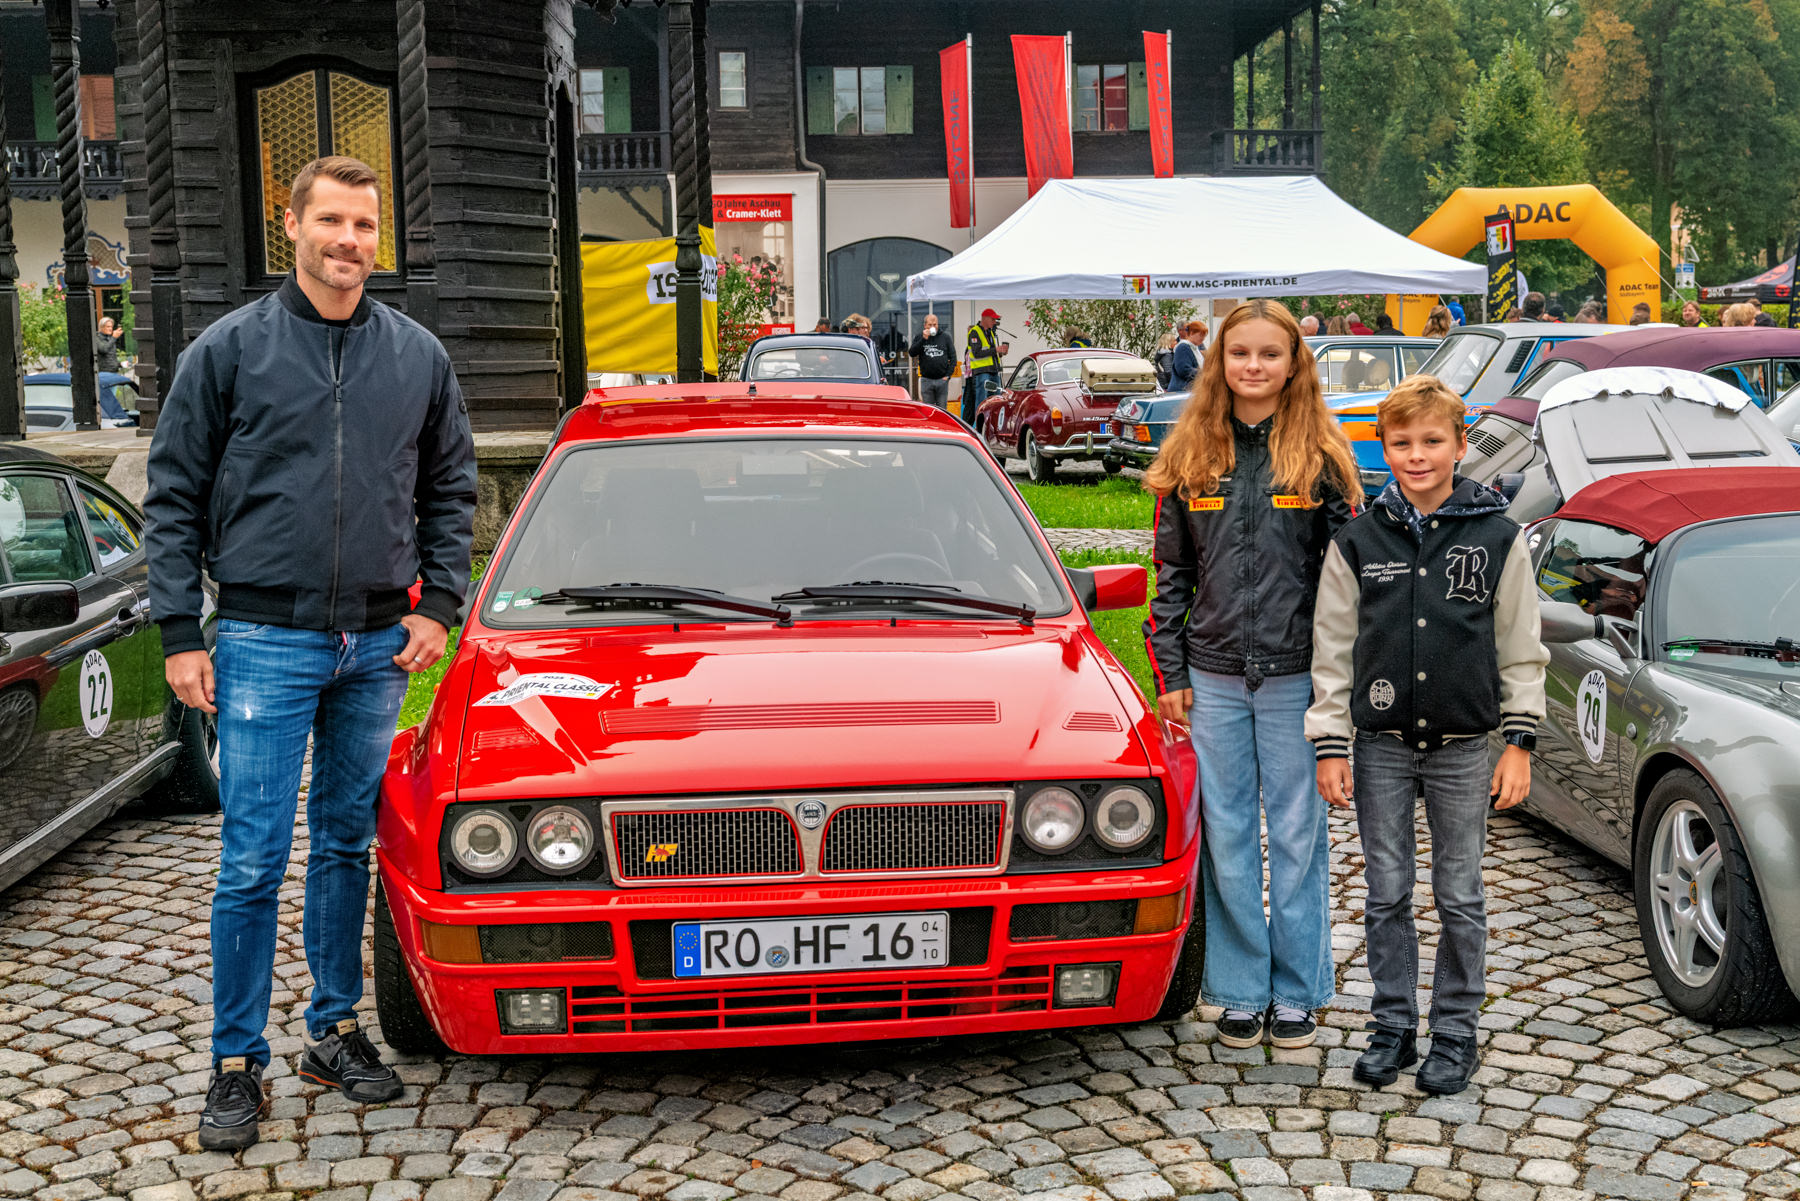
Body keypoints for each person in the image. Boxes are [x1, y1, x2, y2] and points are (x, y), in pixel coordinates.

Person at [144, 156, 477, 1150]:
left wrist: (439, 603)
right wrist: (179, 631)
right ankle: (234, 1060)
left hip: (377, 643)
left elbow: (450, 486)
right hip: (262, 637)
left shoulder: (417, 357)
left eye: (365, 225)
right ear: (289, 226)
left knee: (343, 845)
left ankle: (333, 1029)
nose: (349, 241)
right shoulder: (230, 351)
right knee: (252, 854)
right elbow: (172, 492)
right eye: (331, 220)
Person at [1307, 373, 1546, 1096]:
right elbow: (1333, 648)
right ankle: (1391, 1025)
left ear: (1460, 445)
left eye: (1432, 441)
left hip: (1464, 748)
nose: (1417, 455)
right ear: (1383, 449)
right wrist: (1329, 741)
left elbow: (1521, 646)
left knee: (1460, 893)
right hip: (1379, 747)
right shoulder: (1358, 540)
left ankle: (1456, 1030)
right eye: (1402, 442)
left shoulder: (1499, 538)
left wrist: (1519, 742)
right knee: (1386, 892)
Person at [1143, 299, 1360, 1051]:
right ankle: (1238, 989)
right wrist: (1171, 669)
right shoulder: (1191, 455)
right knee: (1227, 834)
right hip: (1213, 679)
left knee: (1298, 834)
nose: (1254, 366)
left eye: (1270, 353)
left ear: (1294, 362)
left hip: (1297, 678)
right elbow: (1171, 576)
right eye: (1240, 353)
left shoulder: (1324, 458)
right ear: (1219, 361)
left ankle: (1297, 991)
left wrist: (1337, 684)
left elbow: (1346, 584)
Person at [962, 308, 1009, 426]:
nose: (994, 322)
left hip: (993, 370)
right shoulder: (975, 332)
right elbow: (977, 353)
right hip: (982, 372)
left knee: (996, 400)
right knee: (982, 401)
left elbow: (991, 352)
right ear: (985, 319)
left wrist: (1001, 352)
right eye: (993, 319)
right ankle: (980, 426)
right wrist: (996, 350)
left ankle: (992, 426)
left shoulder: (990, 332)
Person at [908, 312, 956, 411]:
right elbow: (912, 353)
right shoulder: (919, 337)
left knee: (942, 411)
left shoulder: (945, 337)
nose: (933, 327)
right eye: (930, 325)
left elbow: (953, 357)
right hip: (926, 380)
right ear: (925, 325)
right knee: (927, 411)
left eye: (935, 324)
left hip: (942, 380)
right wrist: (923, 339)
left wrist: (948, 376)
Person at [1168, 319, 1206, 392]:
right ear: (1191, 333)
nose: (1203, 338)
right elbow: (1184, 370)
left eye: (1204, 336)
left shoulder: (1195, 347)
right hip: (1181, 391)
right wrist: (1205, 374)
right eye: (1201, 335)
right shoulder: (1183, 347)